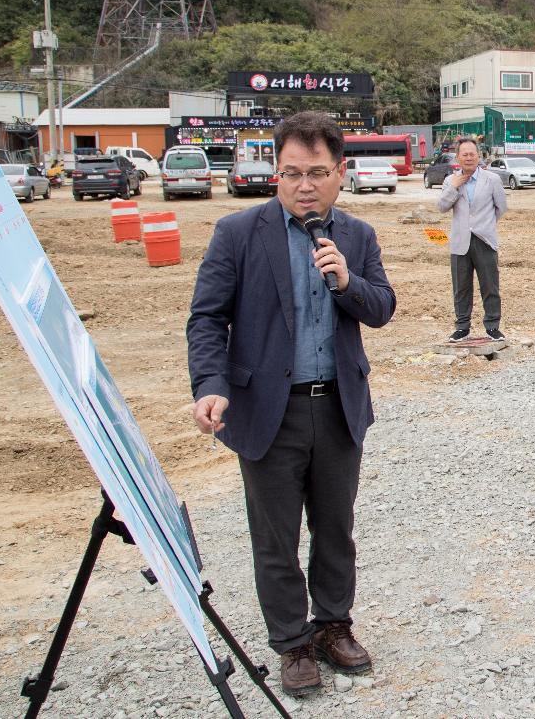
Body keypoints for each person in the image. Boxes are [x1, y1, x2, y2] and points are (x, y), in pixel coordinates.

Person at [186, 111, 396, 698]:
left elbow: (381, 308)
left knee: (336, 528)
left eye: (317, 173)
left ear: (340, 173)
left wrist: (345, 282)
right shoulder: (238, 232)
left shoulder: (356, 236)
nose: (304, 185)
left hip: (337, 408)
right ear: (275, 172)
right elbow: (206, 318)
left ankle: (333, 626)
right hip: (267, 411)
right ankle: (292, 643)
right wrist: (210, 384)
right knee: (274, 536)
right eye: (291, 172)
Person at [437, 138, 508, 343]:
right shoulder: (450, 181)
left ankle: (492, 326)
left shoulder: (491, 179)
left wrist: (485, 224)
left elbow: (501, 207)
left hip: (484, 240)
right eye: (464, 154)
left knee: (490, 285)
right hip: (460, 242)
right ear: (458, 157)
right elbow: (441, 207)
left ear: (479, 156)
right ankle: (462, 327)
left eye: (472, 154)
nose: (469, 157)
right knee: (461, 287)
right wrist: (454, 187)